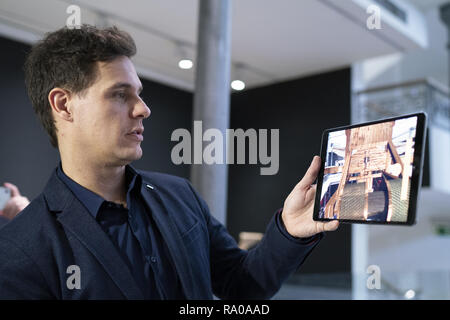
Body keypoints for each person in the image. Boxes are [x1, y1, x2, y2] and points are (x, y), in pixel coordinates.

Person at [0, 25, 339, 299]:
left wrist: (290, 231)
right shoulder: (20, 251)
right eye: (120, 94)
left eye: (139, 93)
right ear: (63, 105)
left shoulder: (178, 194)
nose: (143, 109)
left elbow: (242, 286)